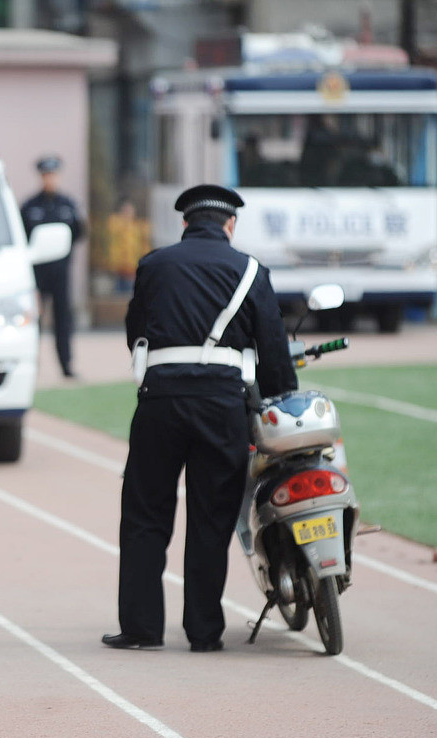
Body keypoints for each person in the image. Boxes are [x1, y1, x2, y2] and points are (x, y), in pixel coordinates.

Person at [104, 185, 297, 653]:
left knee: (145, 514)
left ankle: (143, 628)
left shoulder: (154, 265)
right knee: (211, 517)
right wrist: (278, 395)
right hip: (221, 406)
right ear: (230, 225)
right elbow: (272, 348)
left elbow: (137, 332)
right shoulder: (251, 271)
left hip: (161, 401)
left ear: (186, 223)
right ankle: (204, 631)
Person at [20, 155, 85, 378]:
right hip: (37, 275)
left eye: (53, 175)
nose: (50, 179)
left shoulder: (68, 205)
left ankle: (66, 366)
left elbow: (78, 233)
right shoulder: (30, 206)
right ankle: (31, 367)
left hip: (61, 273)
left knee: (63, 321)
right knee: (33, 321)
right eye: (46, 175)